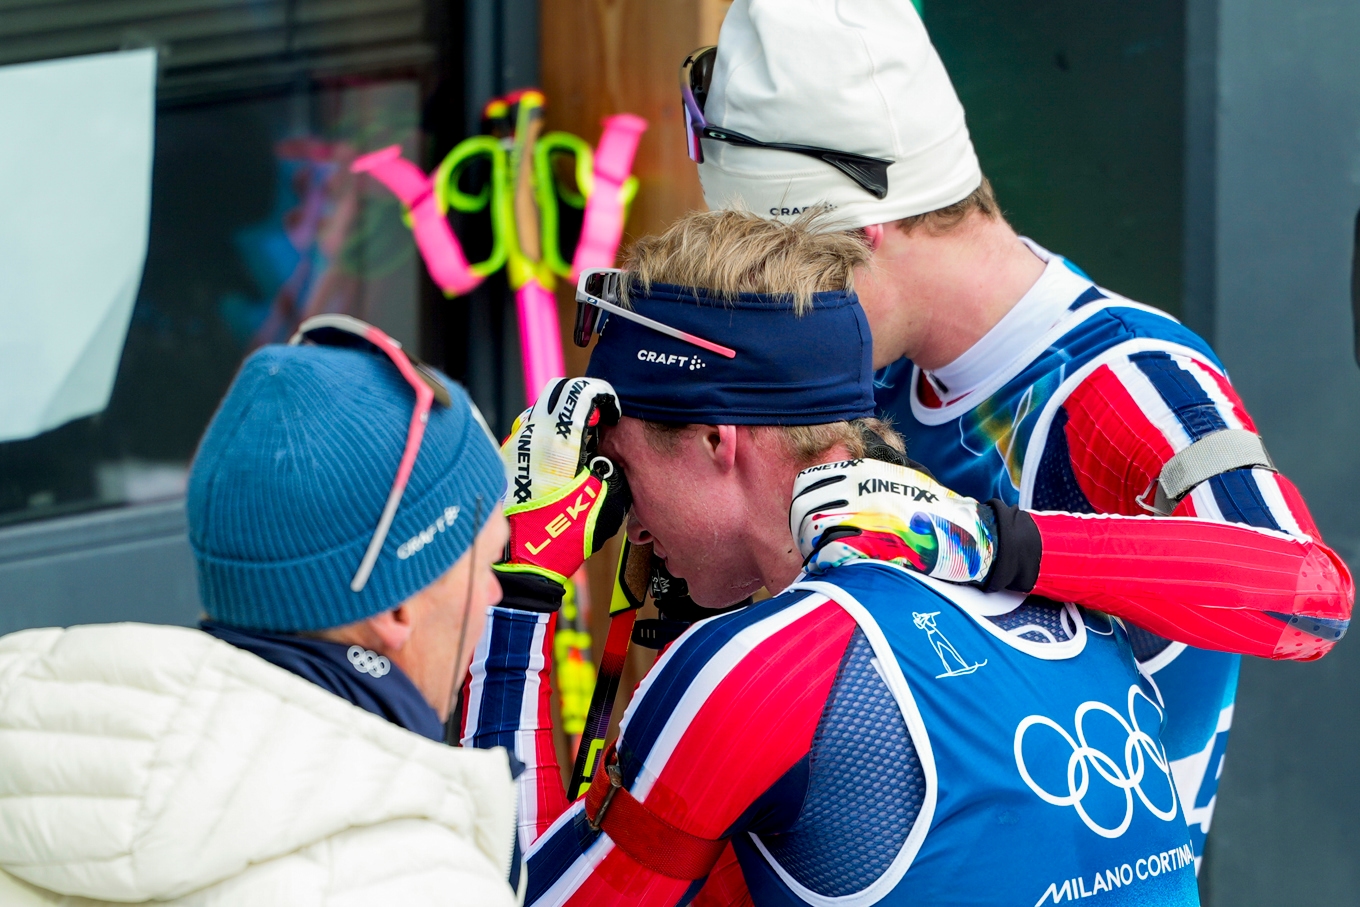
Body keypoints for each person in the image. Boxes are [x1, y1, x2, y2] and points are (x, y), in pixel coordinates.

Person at [680, 0, 1353, 866]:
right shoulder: (882, 371)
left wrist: (987, 542)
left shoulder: (1124, 379)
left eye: (783, 276)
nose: (775, 313)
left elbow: (1306, 595)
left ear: (861, 230)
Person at [462, 211, 1204, 906]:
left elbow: (505, 893)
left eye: (620, 468)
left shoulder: (768, 668)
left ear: (718, 440)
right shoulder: (1041, 581)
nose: (630, 521)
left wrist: (514, 592)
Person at [0, 317, 520, 906]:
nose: (494, 594)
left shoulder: (36, 759)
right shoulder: (422, 883)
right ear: (399, 605)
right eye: (488, 563)